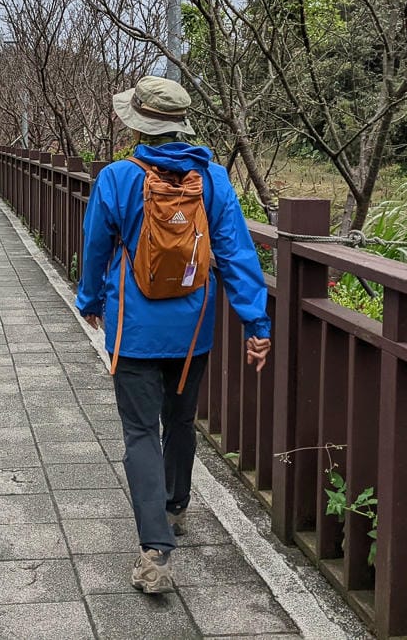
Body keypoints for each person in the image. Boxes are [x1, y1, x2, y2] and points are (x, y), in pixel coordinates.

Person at [75, 75, 272, 594]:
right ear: (181, 124)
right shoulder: (213, 180)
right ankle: (177, 507)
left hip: (134, 329)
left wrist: (89, 300)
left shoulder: (118, 177)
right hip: (192, 331)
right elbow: (235, 254)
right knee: (181, 420)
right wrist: (257, 324)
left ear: (137, 122)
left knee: (141, 432)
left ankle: (156, 550)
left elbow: (95, 246)